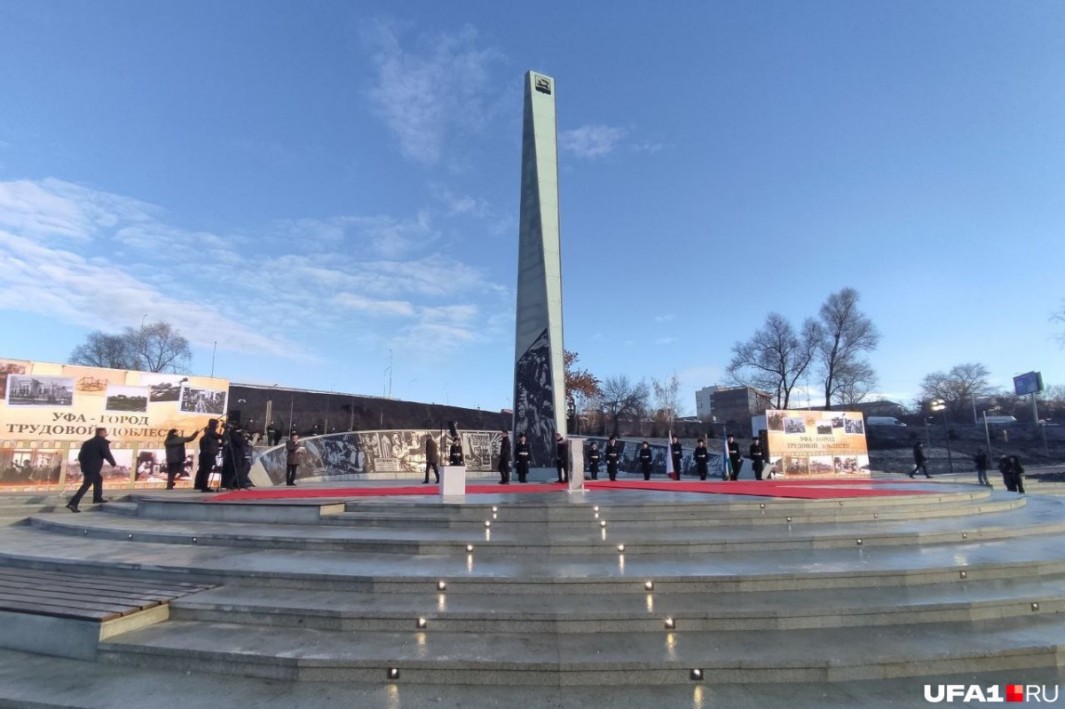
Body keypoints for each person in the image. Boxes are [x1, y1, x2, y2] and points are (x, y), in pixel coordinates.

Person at [67, 428, 116, 512]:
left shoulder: (87, 443)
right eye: (105, 432)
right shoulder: (102, 442)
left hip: (87, 467)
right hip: (93, 467)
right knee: (86, 485)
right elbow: (106, 453)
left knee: (98, 479)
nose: (106, 434)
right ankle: (73, 504)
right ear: (101, 433)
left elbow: (80, 456)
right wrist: (113, 463)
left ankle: (97, 498)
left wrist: (84, 465)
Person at [195, 419, 222, 492]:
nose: (217, 426)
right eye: (216, 424)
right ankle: (204, 486)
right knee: (207, 470)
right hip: (209, 453)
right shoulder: (211, 432)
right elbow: (220, 436)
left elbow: (216, 441)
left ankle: (201, 485)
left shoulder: (209, 433)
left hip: (209, 453)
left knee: (205, 470)